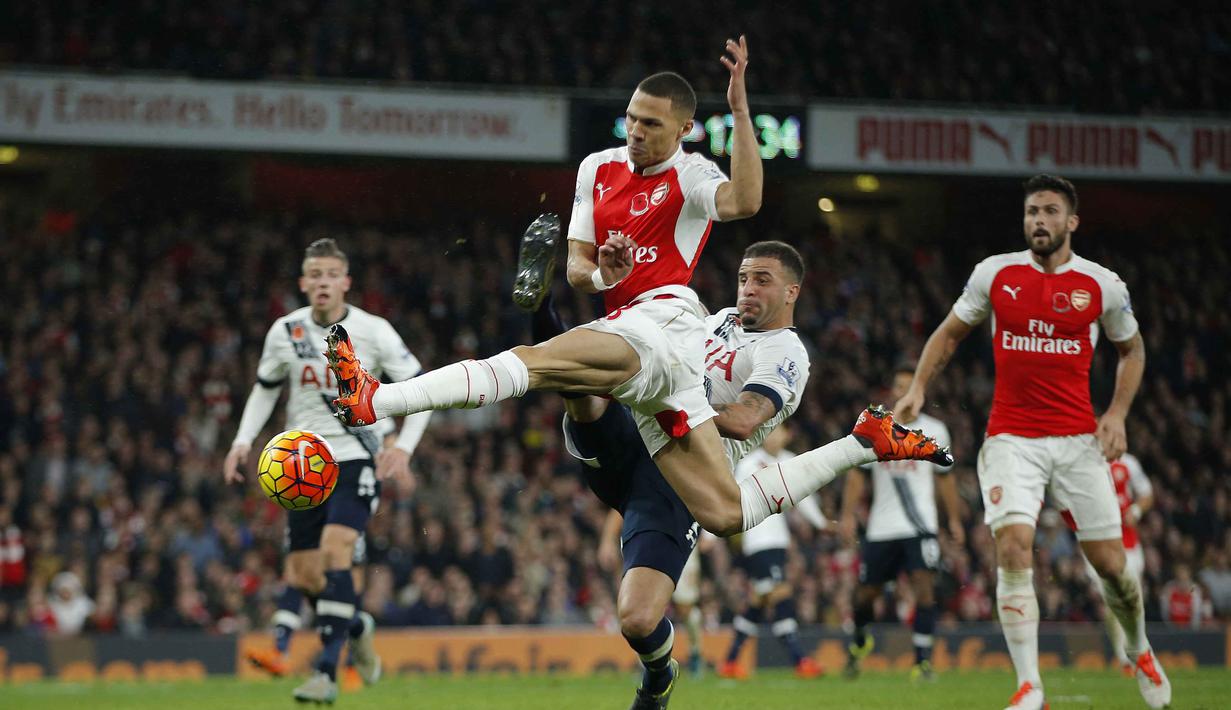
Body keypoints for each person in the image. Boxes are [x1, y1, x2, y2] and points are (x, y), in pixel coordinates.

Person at [327, 36, 947, 550]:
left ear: (684, 129)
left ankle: (378, 399)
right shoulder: (596, 168)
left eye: (652, 124)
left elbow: (745, 201)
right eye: (632, 118)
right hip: (651, 348)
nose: (636, 132)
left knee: (539, 364)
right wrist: (605, 274)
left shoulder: (693, 174)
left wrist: (740, 113)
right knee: (726, 512)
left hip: (666, 323)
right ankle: (862, 442)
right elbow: (577, 267)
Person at [894, 174, 1170, 710]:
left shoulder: (1101, 285)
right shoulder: (996, 274)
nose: (1039, 221)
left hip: (1078, 441)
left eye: (1049, 211)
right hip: (1011, 439)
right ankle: (1029, 685)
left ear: (1072, 221)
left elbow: (1132, 350)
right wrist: (919, 388)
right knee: (1014, 546)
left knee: (1112, 566)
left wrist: (1117, 414)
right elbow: (949, 333)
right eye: (1031, 212)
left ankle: (1138, 647)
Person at [546, 237, 816, 708]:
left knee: (637, 619)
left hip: (682, 477)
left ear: (791, 291)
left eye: (762, 280)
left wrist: (671, 401)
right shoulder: (718, 320)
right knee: (581, 379)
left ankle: (660, 673)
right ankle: (541, 308)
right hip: (637, 433)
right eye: (743, 279)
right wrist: (622, 281)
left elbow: (744, 419)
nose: (748, 289)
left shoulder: (785, 352)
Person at [222, 238, 431, 704]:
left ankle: (325, 673)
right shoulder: (286, 331)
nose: (323, 282)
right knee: (305, 574)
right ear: (303, 283)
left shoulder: (374, 331)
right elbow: (265, 388)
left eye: (331, 275)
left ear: (346, 282)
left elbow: (421, 387)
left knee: (337, 552)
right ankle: (356, 627)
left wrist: (404, 448)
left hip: (356, 454)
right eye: (315, 275)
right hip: (301, 464)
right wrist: (241, 441)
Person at [841, 363, 960, 682]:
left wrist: (954, 520)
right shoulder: (878, 427)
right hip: (882, 527)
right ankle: (860, 637)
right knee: (866, 595)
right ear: (892, 391)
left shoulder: (935, 430)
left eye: (911, 387)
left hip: (921, 526)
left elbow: (946, 478)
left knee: (924, 588)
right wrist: (847, 515)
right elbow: (857, 475)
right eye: (899, 386)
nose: (904, 392)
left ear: (920, 392)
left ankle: (922, 663)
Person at [717, 423, 827, 681]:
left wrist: (821, 523)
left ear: (788, 435)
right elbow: (730, 496)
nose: (773, 436)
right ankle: (799, 659)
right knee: (780, 593)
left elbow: (804, 497)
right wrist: (711, 534)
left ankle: (730, 661)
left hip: (778, 541)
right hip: (758, 541)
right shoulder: (749, 463)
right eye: (770, 431)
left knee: (761, 599)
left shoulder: (790, 460)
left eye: (778, 431)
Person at [1082, 453, 1153, 675]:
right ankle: (1124, 657)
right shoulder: (1085, 460)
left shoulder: (1129, 463)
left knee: (1133, 597)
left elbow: (1147, 493)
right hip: (1098, 541)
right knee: (1111, 598)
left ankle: (1137, 648)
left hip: (1128, 543)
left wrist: (1136, 511)